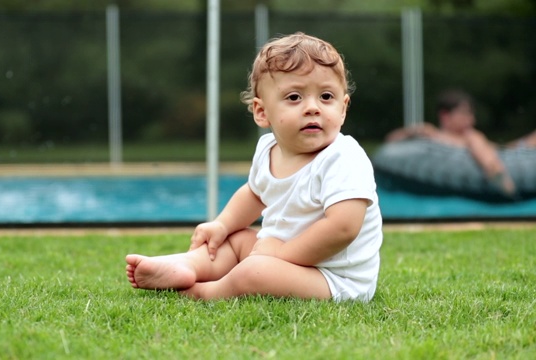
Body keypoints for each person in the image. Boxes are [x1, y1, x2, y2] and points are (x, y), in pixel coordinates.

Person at [125, 32, 383, 302]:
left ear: (343, 108)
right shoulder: (268, 150)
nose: (312, 108)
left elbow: (342, 228)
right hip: (283, 256)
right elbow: (254, 194)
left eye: (326, 96)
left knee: (255, 270)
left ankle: (205, 291)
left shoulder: (343, 158)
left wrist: (280, 255)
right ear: (262, 112)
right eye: (294, 97)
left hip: (333, 278)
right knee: (235, 241)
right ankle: (187, 265)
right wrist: (222, 225)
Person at [385, 89, 536, 196]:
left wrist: (508, 190)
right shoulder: (431, 134)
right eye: (465, 113)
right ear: (445, 115)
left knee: (522, 145)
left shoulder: (471, 137)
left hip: (509, 155)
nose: (471, 120)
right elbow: (390, 142)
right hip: (502, 151)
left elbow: (490, 161)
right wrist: (416, 130)